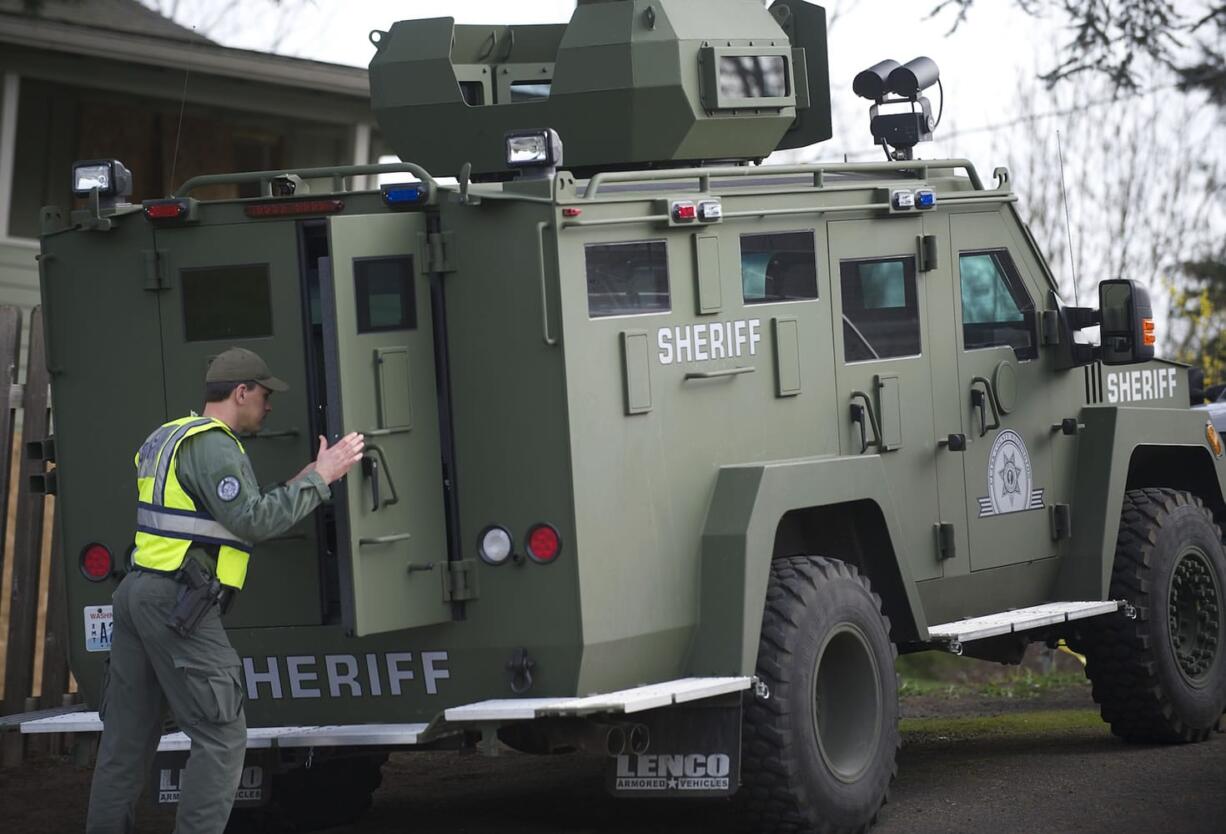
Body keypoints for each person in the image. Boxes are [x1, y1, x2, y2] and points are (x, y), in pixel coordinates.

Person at [86, 347, 364, 834]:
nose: (269, 406)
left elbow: (235, 508)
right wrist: (323, 479)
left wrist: (312, 473)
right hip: (175, 602)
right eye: (263, 395)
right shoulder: (214, 445)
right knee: (221, 736)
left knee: (125, 743)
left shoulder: (169, 436)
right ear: (241, 392)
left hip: (136, 594)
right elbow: (251, 521)